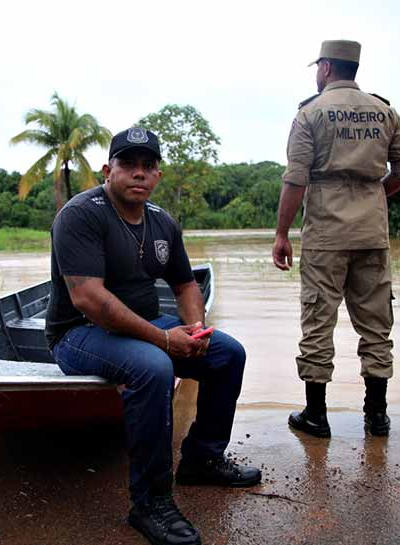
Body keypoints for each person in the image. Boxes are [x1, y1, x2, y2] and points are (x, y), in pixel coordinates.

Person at [47, 127, 261, 545]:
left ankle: (202, 459)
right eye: (128, 164)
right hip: (78, 334)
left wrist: (196, 329)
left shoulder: (162, 221)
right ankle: (150, 502)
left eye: (148, 166)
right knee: (154, 367)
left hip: (142, 326)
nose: (139, 174)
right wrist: (164, 340)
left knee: (227, 354)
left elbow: (185, 285)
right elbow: (88, 298)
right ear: (109, 170)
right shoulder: (81, 214)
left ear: (157, 175)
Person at [272, 40, 400, 438]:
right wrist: (371, 196)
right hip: (372, 231)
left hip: (325, 232)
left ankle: (316, 416)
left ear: (326, 67)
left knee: (318, 321)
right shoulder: (386, 111)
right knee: (376, 324)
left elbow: (295, 178)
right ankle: (377, 417)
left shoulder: (310, 113)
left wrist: (282, 233)